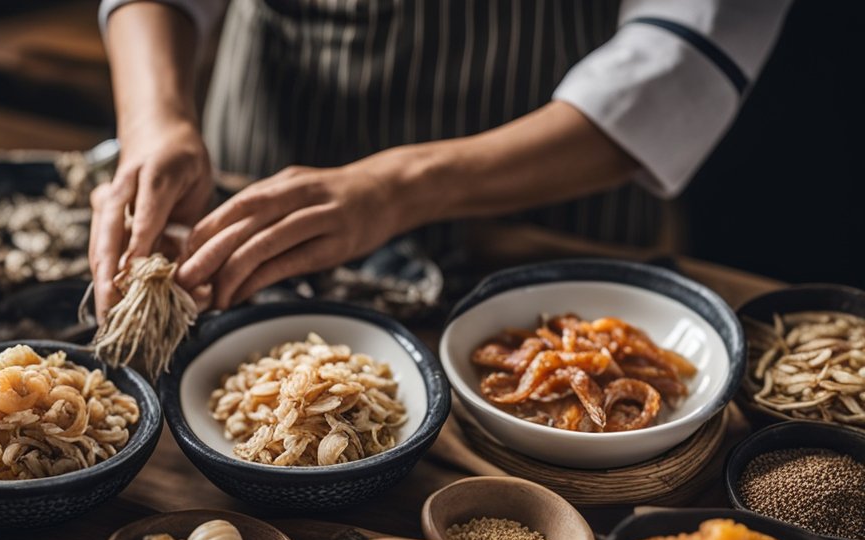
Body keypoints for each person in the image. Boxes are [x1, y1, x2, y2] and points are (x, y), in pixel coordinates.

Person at [89, 0, 792, 318]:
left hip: (545, 179)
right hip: (272, 143)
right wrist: (157, 120)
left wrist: (403, 186)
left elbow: (685, 52)